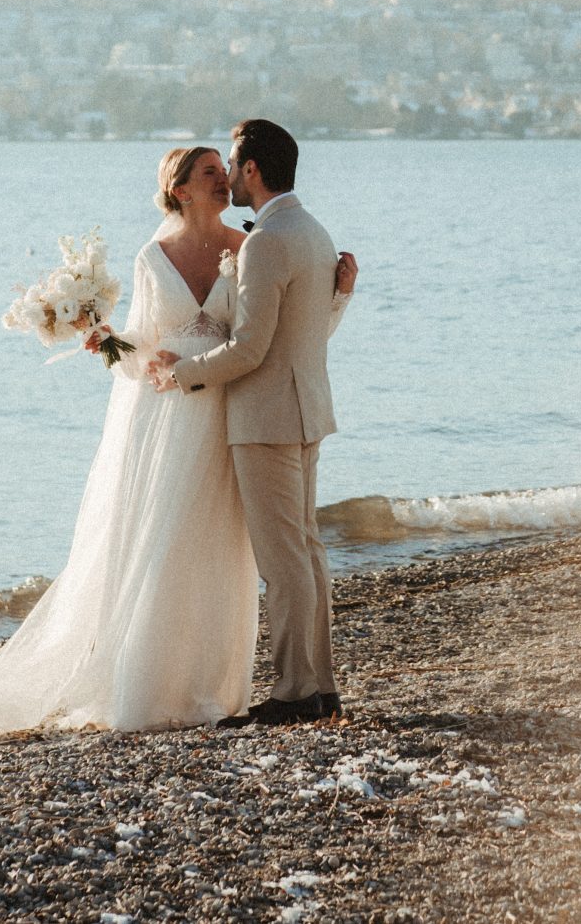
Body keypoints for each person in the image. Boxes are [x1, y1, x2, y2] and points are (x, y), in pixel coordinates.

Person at [0, 137, 355, 745]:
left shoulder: (250, 246)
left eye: (225, 167)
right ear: (179, 188)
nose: (223, 179)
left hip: (237, 407)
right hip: (180, 416)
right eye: (209, 172)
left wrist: (335, 296)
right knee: (176, 541)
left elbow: (276, 337)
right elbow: (145, 346)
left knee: (249, 553)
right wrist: (108, 343)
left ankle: (281, 687)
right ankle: (172, 680)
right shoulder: (155, 256)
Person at [149, 118, 346, 726]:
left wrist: (180, 374)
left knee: (284, 563)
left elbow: (251, 350)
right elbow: (306, 330)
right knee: (306, 553)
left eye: (232, 167)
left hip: (266, 418)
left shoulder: (265, 241)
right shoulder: (311, 230)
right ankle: (320, 686)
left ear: (252, 170)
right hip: (306, 409)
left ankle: (294, 693)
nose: (229, 178)